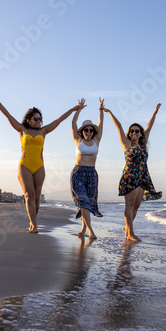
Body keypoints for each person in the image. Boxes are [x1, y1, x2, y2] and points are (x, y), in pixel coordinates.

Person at [0, 90, 80, 234]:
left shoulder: (43, 131)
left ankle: (32, 222)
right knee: (29, 195)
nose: (39, 122)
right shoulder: (22, 129)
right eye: (36, 119)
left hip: (39, 167)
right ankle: (34, 225)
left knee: (37, 198)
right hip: (24, 165)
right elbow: (8, 115)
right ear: (29, 119)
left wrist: (74, 108)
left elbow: (59, 120)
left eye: (40, 119)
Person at [104, 104, 162, 242]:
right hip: (130, 176)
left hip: (142, 177)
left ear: (140, 133)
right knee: (129, 205)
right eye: (131, 131)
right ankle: (130, 233)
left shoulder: (143, 144)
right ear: (129, 134)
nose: (134, 133)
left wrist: (155, 112)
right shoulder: (126, 144)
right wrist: (110, 111)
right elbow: (118, 126)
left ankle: (127, 228)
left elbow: (149, 126)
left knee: (136, 205)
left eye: (136, 131)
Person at [70, 97, 104, 240]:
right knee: (83, 201)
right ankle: (91, 231)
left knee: (88, 203)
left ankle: (83, 229)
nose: (89, 132)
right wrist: (78, 109)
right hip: (78, 173)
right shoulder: (78, 140)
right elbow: (73, 123)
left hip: (92, 174)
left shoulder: (96, 140)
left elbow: (101, 124)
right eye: (86, 130)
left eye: (91, 130)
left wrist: (101, 109)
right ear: (82, 131)